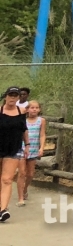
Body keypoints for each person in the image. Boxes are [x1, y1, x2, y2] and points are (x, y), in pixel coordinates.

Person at [0, 87, 27, 222]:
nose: (12, 98)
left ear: (18, 98)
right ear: (5, 96)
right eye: (10, 95)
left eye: (15, 96)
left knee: (7, 179)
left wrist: (27, 145)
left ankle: (3, 209)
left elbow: (24, 129)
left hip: (14, 149)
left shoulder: (21, 112)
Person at [15, 101, 44, 207]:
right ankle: (20, 198)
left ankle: (25, 188)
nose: (34, 109)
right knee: (22, 172)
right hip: (22, 148)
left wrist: (41, 147)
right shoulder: (23, 121)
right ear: (27, 109)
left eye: (36, 107)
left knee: (30, 174)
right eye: (32, 107)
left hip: (34, 149)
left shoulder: (41, 121)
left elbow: (42, 135)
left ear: (39, 109)